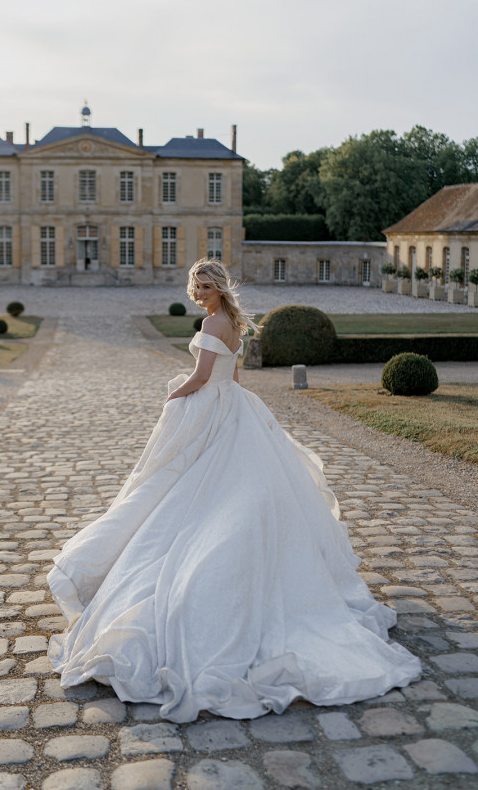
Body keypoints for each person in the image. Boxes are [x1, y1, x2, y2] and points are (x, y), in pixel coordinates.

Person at [47, 259, 421, 723]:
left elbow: (202, 377)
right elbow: (232, 377)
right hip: (232, 408)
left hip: (210, 407)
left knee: (191, 491)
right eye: (196, 285)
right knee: (221, 489)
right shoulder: (233, 323)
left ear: (220, 288)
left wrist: (173, 396)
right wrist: (234, 403)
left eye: (206, 285)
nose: (200, 292)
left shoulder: (211, 322)